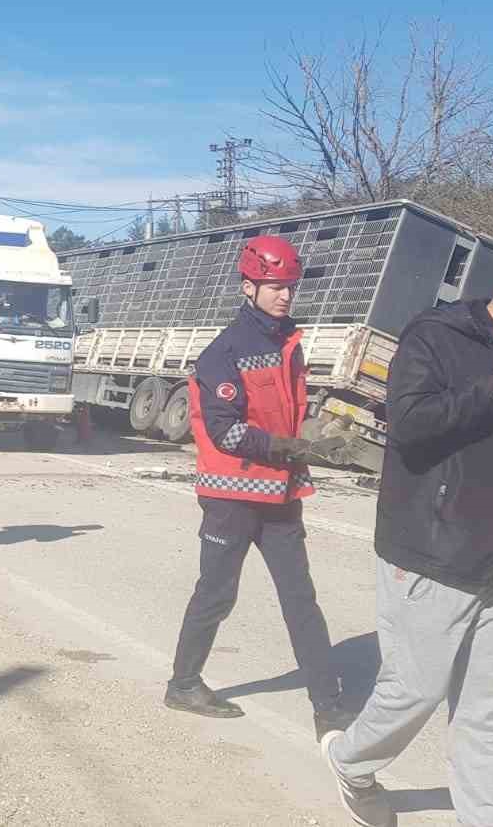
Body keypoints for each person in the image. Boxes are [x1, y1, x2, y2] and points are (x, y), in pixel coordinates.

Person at [321, 249, 493, 827]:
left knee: (489, 710)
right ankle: (350, 759)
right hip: (432, 552)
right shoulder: (433, 337)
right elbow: (408, 428)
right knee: (414, 691)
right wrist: (492, 388)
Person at [165, 235, 356, 738]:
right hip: (232, 496)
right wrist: (292, 447)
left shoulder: (288, 344)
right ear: (248, 286)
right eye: (274, 286)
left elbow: (287, 413)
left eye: (289, 287)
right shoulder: (224, 352)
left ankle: (329, 709)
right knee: (216, 593)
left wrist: (309, 438)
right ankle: (183, 684)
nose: (285, 295)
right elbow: (226, 430)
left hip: (280, 494)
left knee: (300, 598)